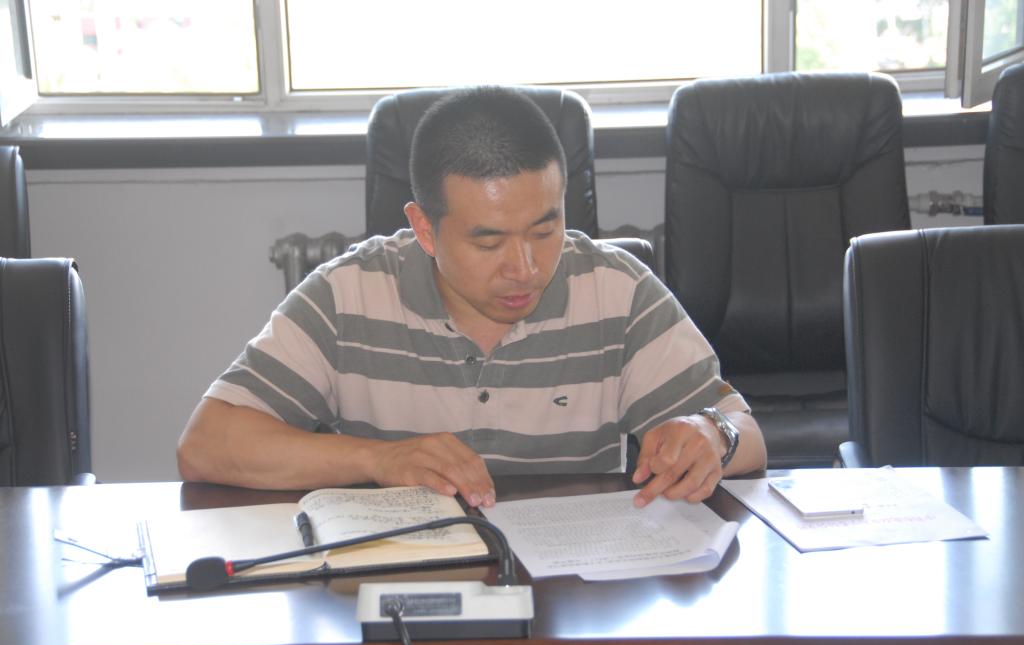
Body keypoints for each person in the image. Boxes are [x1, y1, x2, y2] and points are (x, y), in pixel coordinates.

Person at [177, 86, 766, 508]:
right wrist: (376, 459)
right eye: (489, 242)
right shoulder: (346, 294)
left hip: (572, 591)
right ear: (425, 229)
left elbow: (746, 432)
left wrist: (714, 434)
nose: (525, 268)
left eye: (545, 230)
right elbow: (204, 445)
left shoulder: (619, 290)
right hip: (404, 592)